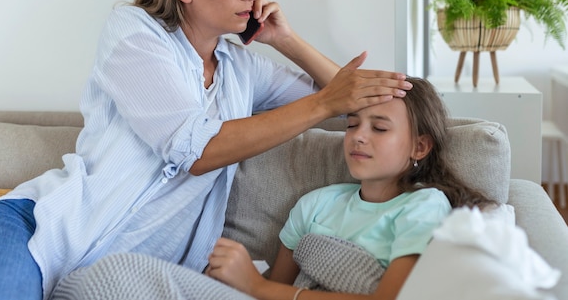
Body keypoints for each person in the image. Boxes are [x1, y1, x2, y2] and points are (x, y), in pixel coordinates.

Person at [0, 0, 413, 300]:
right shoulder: (133, 34)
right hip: (33, 236)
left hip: (117, 281)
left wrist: (287, 40)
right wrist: (324, 101)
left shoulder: (241, 69)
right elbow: (196, 149)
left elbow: (352, 103)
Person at [205, 77, 496, 300]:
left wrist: (255, 284)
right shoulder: (314, 205)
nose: (358, 137)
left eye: (379, 129)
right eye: (352, 125)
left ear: (419, 146)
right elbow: (273, 292)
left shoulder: (423, 205)